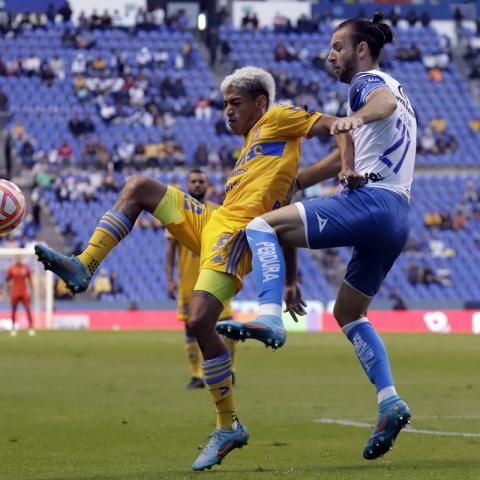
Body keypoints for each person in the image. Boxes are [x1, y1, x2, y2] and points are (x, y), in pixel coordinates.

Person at [34, 66, 351, 471]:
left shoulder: (279, 116)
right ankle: (83, 265)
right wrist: (290, 277)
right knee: (138, 187)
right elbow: (286, 208)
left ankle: (228, 425)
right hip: (213, 220)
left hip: (235, 235)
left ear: (260, 102)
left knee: (201, 321)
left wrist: (346, 160)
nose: (227, 112)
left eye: (235, 104)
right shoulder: (259, 146)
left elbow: (339, 127)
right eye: (224, 105)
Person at [218, 12, 415, 462]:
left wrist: (355, 117)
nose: (331, 54)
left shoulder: (368, 84)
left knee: (261, 225)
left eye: (338, 46)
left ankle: (269, 317)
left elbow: (376, 106)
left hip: (373, 202)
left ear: (361, 50)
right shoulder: (402, 91)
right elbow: (359, 139)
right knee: (348, 311)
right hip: (398, 215)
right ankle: (389, 401)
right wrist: (303, 177)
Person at [166, 169, 237, 389]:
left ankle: (230, 370)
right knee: (191, 329)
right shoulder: (178, 213)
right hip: (188, 282)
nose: (197, 185)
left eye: (201, 181)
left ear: (207, 186)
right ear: (187, 185)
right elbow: (170, 251)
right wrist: (169, 279)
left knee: (226, 326)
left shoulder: (218, 212)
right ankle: (196, 374)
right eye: (193, 181)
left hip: (216, 276)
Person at [4, 256, 34, 336]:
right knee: (13, 310)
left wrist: (32, 289)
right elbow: (7, 280)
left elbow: (30, 279)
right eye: (17, 258)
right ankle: (13, 328)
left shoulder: (26, 268)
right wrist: (6, 291)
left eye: (20, 258)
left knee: (28, 309)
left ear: (21, 259)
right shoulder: (12, 268)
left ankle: (31, 328)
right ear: (15, 259)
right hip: (15, 292)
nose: (18, 259)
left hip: (24, 292)